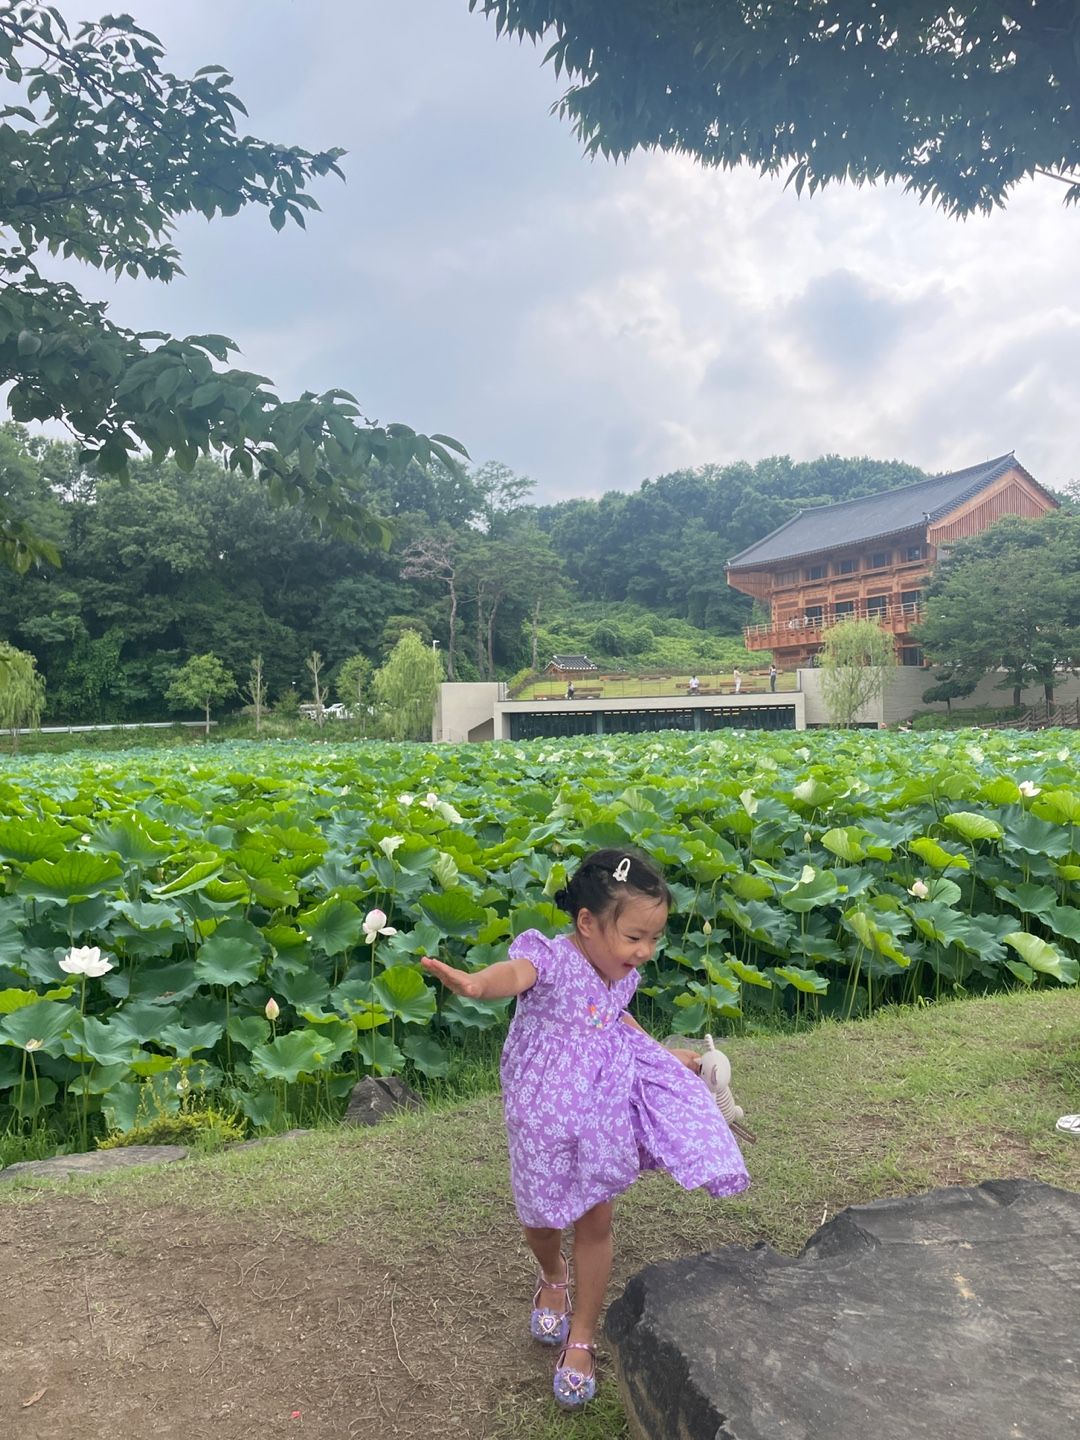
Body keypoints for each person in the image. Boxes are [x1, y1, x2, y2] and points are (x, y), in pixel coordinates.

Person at [421, 850, 748, 1411]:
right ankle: (552, 1274)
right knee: (541, 1219)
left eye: (653, 938)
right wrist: (476, 985)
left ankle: (582, 1337)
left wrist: (665, 1054)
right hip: (540, 1117)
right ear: (588, 923)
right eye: (634, 936)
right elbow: (512, 975)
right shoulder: (547, 958)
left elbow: (616, 1016)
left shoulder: (621, 971)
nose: (644, 951)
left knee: (596, 1218)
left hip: (601, 1111)